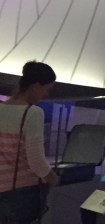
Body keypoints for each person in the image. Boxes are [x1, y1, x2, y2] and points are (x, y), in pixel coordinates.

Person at [0, 62, 60, 224]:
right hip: (21, 193)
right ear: (35, 85)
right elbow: (36, 160)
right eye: (46, 89)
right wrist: (53, 178)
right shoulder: (32, 113)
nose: (46, 95)